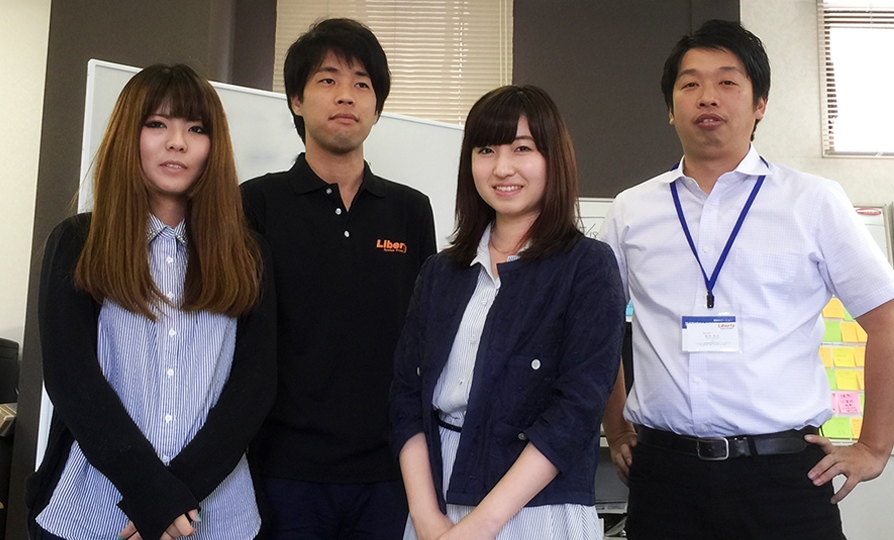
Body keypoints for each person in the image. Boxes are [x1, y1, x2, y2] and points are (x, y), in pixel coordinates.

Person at [599, 19, 894, 540]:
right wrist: (617, 428)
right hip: (665, 477)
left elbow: (888, 315)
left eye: (727, 82)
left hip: (783, 477)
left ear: (760, 103)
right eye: (690, 84)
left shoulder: (812, 201)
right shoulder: (631, 210)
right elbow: (596, 326)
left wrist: (874, 446)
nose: (707, 96)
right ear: (670, 107)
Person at [27, 64, 277, 540]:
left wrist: (170, 502)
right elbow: (72, 381)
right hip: (92, 511)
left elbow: (253, 389)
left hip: (218, 513)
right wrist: (152, 495)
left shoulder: (248, 254)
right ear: (129, 136)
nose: (177, 142)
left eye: (196, 128)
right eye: (157, 124)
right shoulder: (78, 242)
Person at [391, 85, 626, 540]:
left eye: (522, 149)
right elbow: (406, 396)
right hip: (437, 498)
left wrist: (480, 526)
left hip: (537, 505)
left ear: (553, 158)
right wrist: (425, 516)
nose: (502, 168)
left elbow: (576, 411)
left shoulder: (587, 266)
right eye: (486, 150)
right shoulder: (442, 271)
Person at [241, 18, 437, 539]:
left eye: (361, 84)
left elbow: (425, 341)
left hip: (388, 469)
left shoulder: (410, 211)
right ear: (297, 100)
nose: (345, 95)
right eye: (327, 79)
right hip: (284, 470)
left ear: (377, 107)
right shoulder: (255, 203)